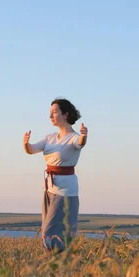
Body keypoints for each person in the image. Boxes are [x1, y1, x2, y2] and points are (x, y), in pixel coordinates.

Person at [23, 98, 88, 252]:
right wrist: (26, 143)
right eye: (50, 113)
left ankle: (59, 260)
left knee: (50, 231)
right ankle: (54, 265)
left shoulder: (73, 137)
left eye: (54, 112)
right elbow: (32, 150)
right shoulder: (50, 138)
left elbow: (80, 143)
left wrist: (84, 136)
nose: (51, 116)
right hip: (49, 189)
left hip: (65, 191)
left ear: (65, 115)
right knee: (47, 229)